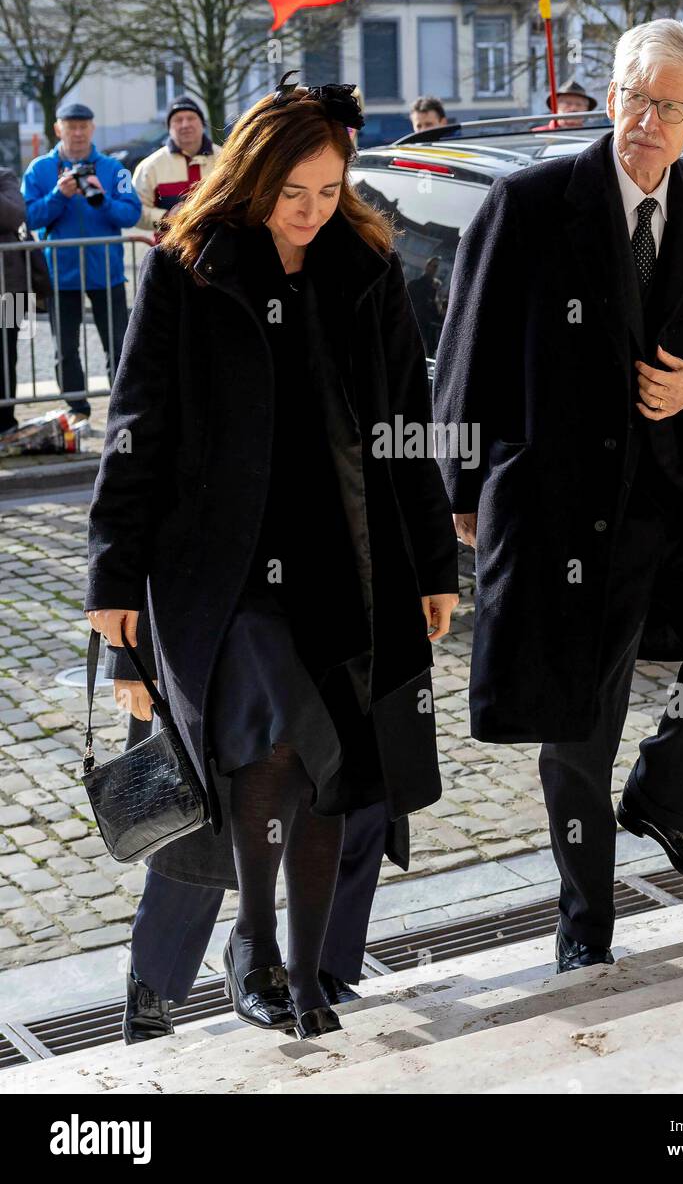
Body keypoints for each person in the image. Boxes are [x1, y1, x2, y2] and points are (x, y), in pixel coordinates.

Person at [85, 72, 459, 1039]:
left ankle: (304, 969)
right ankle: (236, 956)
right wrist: (111, 579)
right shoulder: (190, 270)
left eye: (329, 192)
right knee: (272, 735)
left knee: (332, 759)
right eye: (292, 193)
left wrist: (432, 565)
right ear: (251, 179)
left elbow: (406, 430)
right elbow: (136, 431)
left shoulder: (367, 275)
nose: (310, 212)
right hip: (223, 572)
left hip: (347, 558)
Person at [433, 18, 683, 975]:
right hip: (564, 505)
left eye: (671, 106)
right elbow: (463, 361)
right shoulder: (529, 202)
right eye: (637, 97)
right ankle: (584, 927)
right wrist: (461, 493)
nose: (649, 119)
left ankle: (668, 802)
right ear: (612, 98)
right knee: (576, 725)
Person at [105, 604, 414, 1041]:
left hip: (342, 587)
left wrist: (430, 575)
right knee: (201, 807)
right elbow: (124, 535)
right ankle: (153, 982)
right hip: (213, 596)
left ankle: (322, 968)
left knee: (345, 785)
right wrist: (128, 651)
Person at [22, 102, 141, 420]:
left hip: (108, 272)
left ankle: (120, 408)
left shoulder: (115, 169)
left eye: (82, 126)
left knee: (118, 345)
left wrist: (101, 200)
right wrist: (59, 195)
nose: (76, 132)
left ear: (92, 128)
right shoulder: (39, 169)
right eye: (70, 126)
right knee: (66, 349)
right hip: (60, 274)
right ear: (57, 129)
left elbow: (132, 212)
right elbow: (29, 217)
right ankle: (77, 409)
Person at [0, 168, 51, 435]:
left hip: (10, 292)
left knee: (6, 358)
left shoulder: (5, 177)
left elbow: (13, 216)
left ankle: (5, 422)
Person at [132, 96, 221, 238]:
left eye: (191, 118)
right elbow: (135, 211)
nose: (185, 124)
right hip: (169, 254)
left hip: (217, 250)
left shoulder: (225, 160)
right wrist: (166, 219)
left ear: (202, 124)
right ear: (169, 127)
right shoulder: (150, 167)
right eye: (178, 120)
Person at [532, 78, 598, 131]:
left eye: (579, 104)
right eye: (568, 103)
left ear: (586, 109)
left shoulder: (593, 139)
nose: (574, 108)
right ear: (555, 107)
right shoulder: (537, 135)